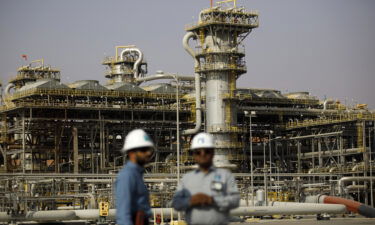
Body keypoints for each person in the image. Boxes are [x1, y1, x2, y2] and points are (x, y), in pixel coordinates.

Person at [172, 132, 240, 225]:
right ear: (194, 155)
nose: (202, 154)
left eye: (207, 151)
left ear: (213, 152)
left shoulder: (225, 175)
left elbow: (235, 200)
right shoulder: (186, 179)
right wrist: (191, 201)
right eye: (198, 152)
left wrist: (213, 200)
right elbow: (176, 203)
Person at [115, 129, 154, 225]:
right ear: (131, 152)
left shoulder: (137, 175)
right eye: (143, 150)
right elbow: (123, 215)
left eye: (148, 150)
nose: (148, 153)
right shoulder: (127, 176)